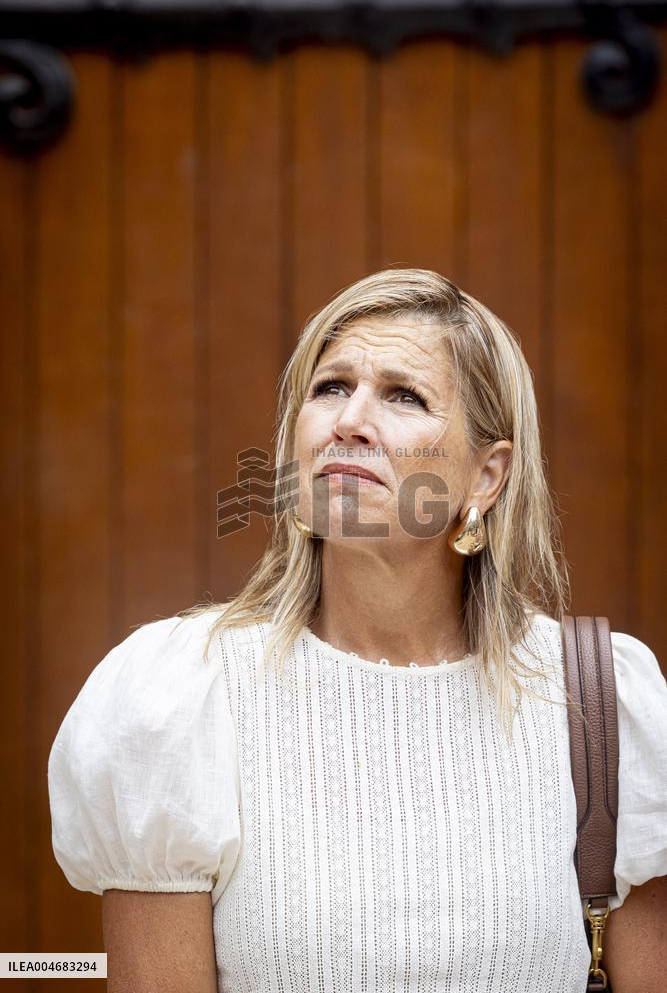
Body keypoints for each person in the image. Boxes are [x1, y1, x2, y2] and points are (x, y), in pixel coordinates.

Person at [48, 268, 667, 992]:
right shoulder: (183, 697)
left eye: (403, 395)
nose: (349, 420)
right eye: (329, 387)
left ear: (485, 477)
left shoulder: (600, 706)